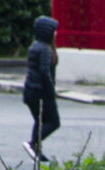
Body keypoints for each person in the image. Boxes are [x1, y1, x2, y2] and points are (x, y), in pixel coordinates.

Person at [23, 14, 61, 161]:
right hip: (41, 92)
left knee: (40, 121)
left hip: (31, 91)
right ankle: (32, 144)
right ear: (47, 32)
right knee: (53, 122)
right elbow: (45, 73)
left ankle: (36, 150)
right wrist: (51, 91)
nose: (55, 33)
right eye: (53, 30)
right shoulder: (45, 49)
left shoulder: (35, 46)